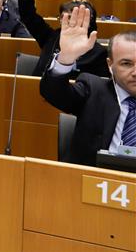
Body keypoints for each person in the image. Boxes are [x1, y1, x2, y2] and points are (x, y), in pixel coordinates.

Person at [39, 9, 136, 165]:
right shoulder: (93, 89)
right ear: (110, 65)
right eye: (126, 64)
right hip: (90, 182)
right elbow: (52, 92)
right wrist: (66, 59)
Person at [18, 0, 109, 77]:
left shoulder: (98, 52)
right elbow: (27, 13)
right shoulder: (50, 37)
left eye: (75, 17)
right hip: (37, 93)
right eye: (65, 17)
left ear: (88, 21)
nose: (69, 21)